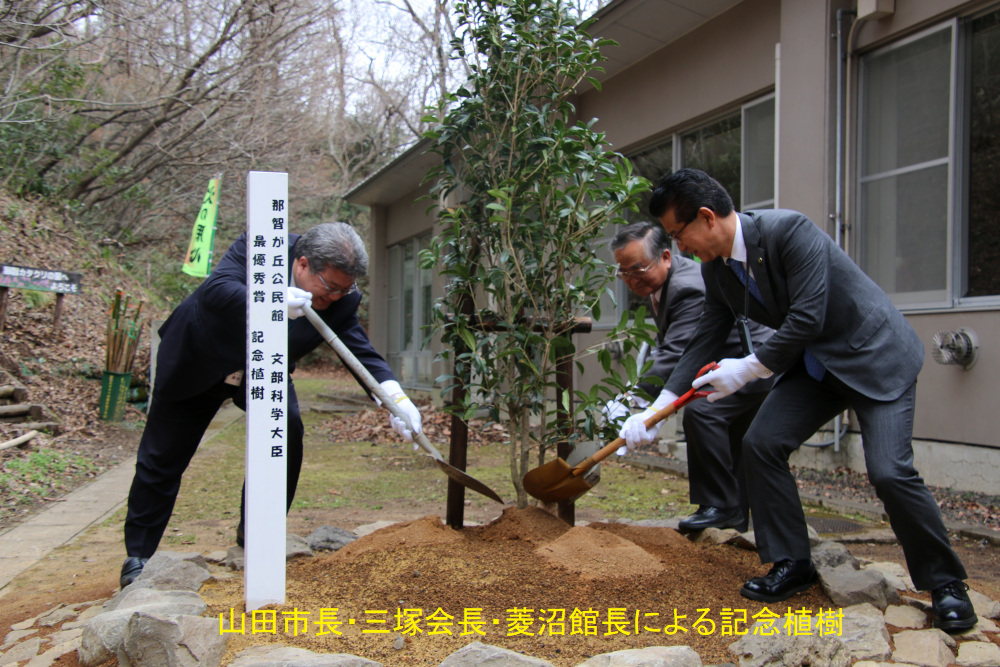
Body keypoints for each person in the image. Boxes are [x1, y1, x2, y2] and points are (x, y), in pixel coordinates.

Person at [635, 168, 975, 631]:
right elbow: (706, 334)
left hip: (875, 357)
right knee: (761, 444)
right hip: (816, 368)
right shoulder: (718, 270)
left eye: (678, 234)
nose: (680, 247)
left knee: (890, 471)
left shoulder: (788, 230)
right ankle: (791, 562)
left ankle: (947, 584)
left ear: (708, 218)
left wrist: (749, 367)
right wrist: (660, 404)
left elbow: (807, 317)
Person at [119, 222, 422, 588]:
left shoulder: (341, 296)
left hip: (263, 370)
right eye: (330, 288)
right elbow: (217, 290)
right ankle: (138, 555)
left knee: (288, 431)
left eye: (347, 289)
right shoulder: (260, 246)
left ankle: (256, 538)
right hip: (198, 358)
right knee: (163, 455)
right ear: (303, 264)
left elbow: (357, 348)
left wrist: (395, 398)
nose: (337, 298)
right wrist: (271, 298)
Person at [606, 221, 773, 532]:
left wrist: (634, 400)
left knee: (703, 412)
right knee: (735, 439)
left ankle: (722, 507)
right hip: (721, 364)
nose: (630, 279)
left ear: (666, 257)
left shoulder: (688, 288)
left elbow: (676, 353)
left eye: (637, 269)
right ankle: (735, 517)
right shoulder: (661, 284)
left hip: (753, 361)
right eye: (623, 271)